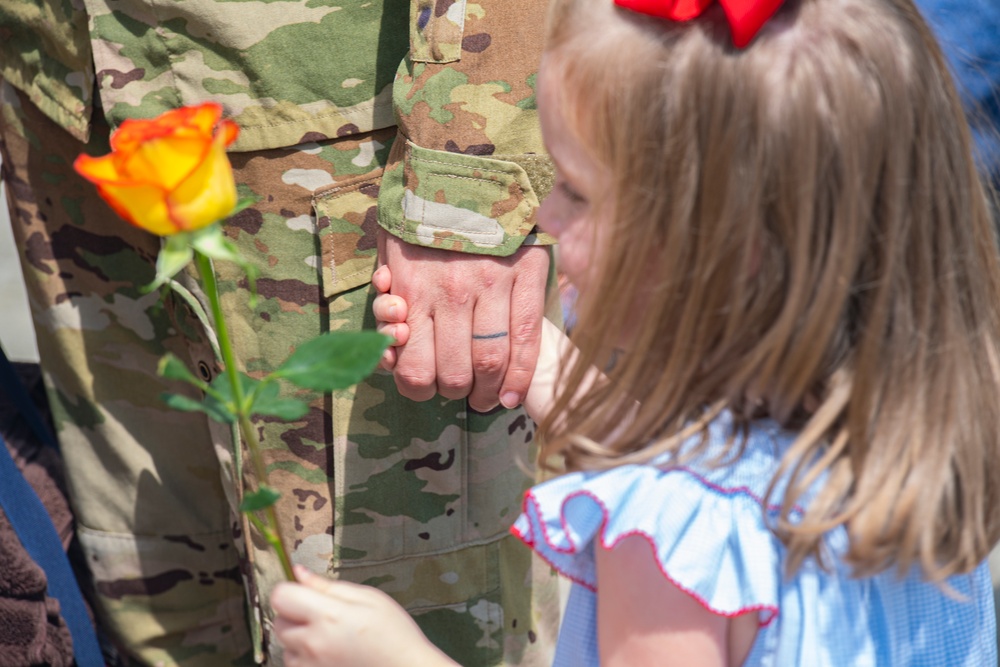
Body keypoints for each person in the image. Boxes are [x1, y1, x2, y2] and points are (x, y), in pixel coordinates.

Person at [270, 0, 1000, 664]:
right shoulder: (927, 444)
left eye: (577, 191)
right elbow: (709, 458)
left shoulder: (664, 548)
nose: (546, 220)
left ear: (719, 247)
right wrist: (534, 359)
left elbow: (684, 491)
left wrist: (395, 656)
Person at [0, 0, 560, 664]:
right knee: (158, 604)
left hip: (344, 142)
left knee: (393, 622)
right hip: (61, 105)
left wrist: (468, 184)